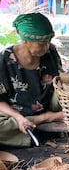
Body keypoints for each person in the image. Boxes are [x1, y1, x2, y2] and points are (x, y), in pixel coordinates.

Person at [0, 13, 64, 147]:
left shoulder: (50, 51)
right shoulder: (4, 59)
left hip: (48, 104)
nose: (46, 47)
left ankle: (44, 121)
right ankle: (47, 118)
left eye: (48, 41)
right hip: (17, 113)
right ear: (25, 40)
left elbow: (59, 80)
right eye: (41, 43)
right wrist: (18, 117)